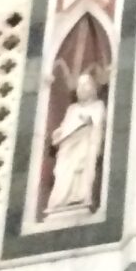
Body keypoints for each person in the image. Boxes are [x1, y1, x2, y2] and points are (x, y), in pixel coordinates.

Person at [44, 70, 106, 217]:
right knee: (63, 172)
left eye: (85, 84)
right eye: (79, 85)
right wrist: (59, 132)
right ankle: (60, 200)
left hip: (86, 144)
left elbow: (98, 124)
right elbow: (66, 126)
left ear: (92, 88)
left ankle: (79, 197)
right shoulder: (73, 108)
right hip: (68, 148)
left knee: (81, 172)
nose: (82, 88)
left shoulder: (98, 105)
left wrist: (89, 122)